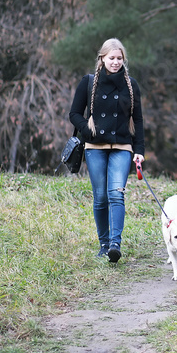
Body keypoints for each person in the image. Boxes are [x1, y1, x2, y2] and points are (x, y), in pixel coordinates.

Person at [69, 38, 145, 262]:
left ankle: (115, 244)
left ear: (123, 60)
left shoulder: (131, 85)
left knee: (116, 194)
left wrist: (139, 149)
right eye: (111, 58)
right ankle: (103, 243)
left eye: (119, 58)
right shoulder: (89, 82)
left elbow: (138, 120)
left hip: (122, 146)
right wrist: (87, 130)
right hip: (95, 147)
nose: (115, 62)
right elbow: (74, 113)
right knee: (101, 197)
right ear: (102, 58)